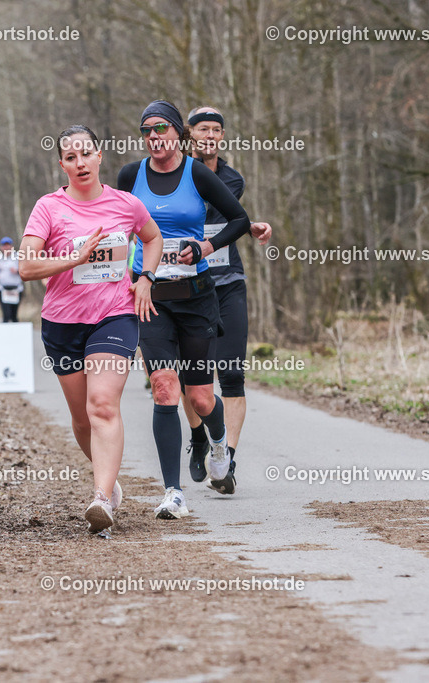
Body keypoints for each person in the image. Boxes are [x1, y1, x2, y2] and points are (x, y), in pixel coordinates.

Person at [117, 100, 272, 520]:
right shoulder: (131, 176)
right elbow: (116, 226)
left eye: (162, 129)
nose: (154, 137)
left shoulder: (197, 173)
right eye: (147, 130)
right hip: (150, 298)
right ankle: (173, 493)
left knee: (201, 396)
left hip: (197, 295)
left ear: (176, 134)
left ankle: (218, 442)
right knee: (165, 387)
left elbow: (238, 220)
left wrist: (205, 246)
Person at [19, 124, 162, 534]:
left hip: (114, 316)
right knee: (82, 419)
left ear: (100, 156)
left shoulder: (126, 204)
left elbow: (153, 239)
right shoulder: (48, 208)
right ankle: (110, 482)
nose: (80, 162)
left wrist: (146, 278)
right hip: (62, 323)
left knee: (102, 405)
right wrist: (73, 259)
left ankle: (101, 500)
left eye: (86, 153)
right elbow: (26, 266)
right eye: (70, 157)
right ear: (61, 164)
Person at [179, 106, 272, 493]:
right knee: (193, 382)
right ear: (191, 134)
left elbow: (228, 219)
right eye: (203, 129)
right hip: (191, 286)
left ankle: (226, 460)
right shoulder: (174, 177)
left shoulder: (233, 179)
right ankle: (199, 436)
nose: (211, 136)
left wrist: (249, 226)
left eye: (217, 130)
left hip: (229, 281)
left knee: (232, 375)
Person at [0, 237, 24, 322]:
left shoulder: (18, 256)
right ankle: (5, 334)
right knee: (6, 315)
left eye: (8, 246)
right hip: (2, 289)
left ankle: (16, 334)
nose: (6, 248)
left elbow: (25, 271)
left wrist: (17, 271)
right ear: (1, 247)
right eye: (4, 246)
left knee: (14, 315)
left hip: (16, 289)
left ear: (11, 246)